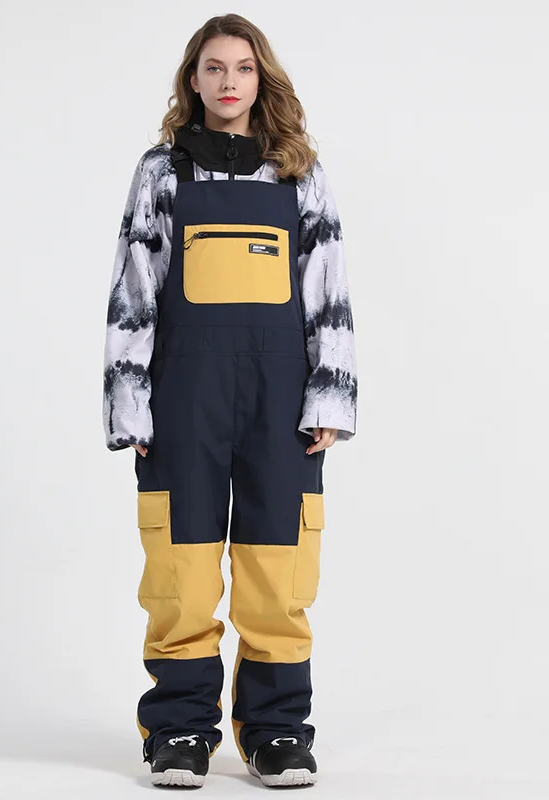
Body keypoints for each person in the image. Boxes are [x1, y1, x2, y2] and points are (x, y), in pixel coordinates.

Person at [102, 13, 357, 789]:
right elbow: (134, 288)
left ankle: (277, 733)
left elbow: (329, 288)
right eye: (213, 67)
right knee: (180, 573)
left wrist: (330, 398)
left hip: (282, 404)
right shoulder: (161, 172)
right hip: (183, 398)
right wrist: (130, 402)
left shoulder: (297, 171)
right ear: (194, 79)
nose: (228, 81)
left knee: (279, 571)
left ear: (260, 78)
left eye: (242, 68)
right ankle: (179, 730)